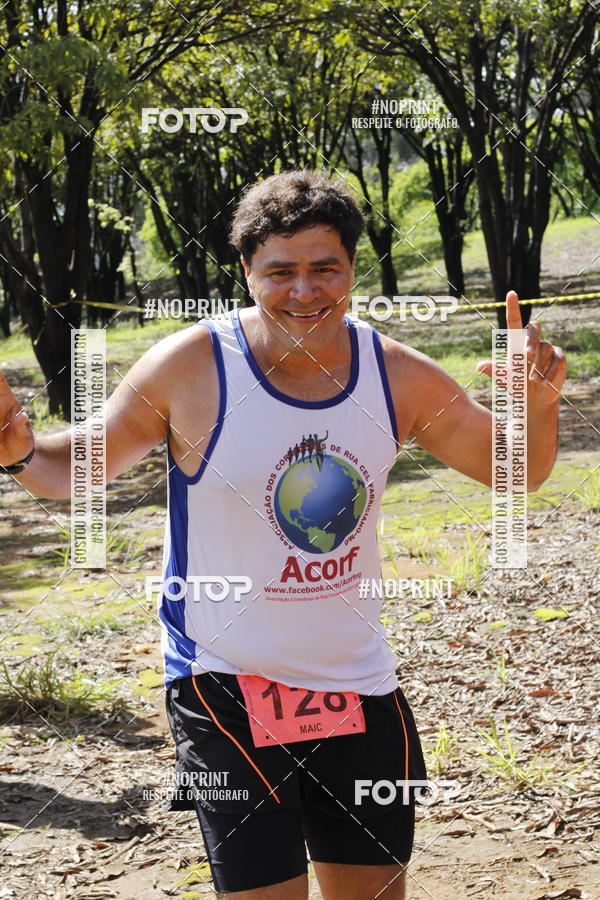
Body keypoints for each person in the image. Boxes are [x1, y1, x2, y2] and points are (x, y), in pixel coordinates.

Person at [0, 169, 566, 899]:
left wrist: (537, 408)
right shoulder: (191, 366)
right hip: (223, 683)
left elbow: (514, 470)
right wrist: (18, 451)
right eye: (280, 272)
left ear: (352, 270)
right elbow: (77, 467)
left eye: (325, 269)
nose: (304, 291)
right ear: (246, 271)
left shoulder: (395, 374)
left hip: (359, 683)